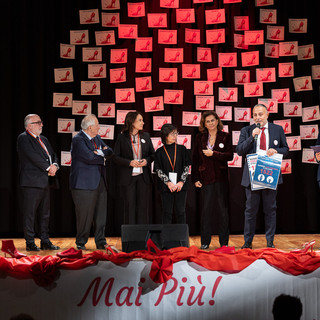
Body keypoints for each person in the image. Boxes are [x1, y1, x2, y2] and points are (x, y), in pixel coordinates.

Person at [236, 103, 289, 249]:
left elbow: (286, 149)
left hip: (270, 173)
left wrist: (276, 151)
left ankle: (270, 242)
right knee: (250, 210)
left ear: (267, 115)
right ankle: (247, 242)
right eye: (255, 115)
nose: (258, 117)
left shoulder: (277, 129)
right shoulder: (247, 130)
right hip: (252, 176)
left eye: (260, 114)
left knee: (270, 209)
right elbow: (239, 150)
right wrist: (252, 137)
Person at [17, 114, 60, 251]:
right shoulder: (23, 138)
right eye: (38, 122)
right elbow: (33, 157)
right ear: (29, 125)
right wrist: (48, 168)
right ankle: (30, 242)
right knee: (30, 214)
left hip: (45, 181)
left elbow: (53, 155)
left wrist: (55, 165)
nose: (42, 125)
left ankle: (45, 240)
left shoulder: (44, 139)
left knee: (45, 214)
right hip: (31, 182)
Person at [70, 114, 113, 250]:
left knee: (101, 214)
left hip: (99, 181)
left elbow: (110, 151)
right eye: (97, 125)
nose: (99, 127)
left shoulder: (97, 138)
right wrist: (101, 156)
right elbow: (89, 157)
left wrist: (98, 153)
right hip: (84, 184)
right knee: (84, 215)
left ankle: (100, 241)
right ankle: (81, 242)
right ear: (90, 127)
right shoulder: (78, 140)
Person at [192, 111, 233, 249]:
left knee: (223, 210)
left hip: (221, 178)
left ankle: (224, 242)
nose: (210, 123)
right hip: (206, 178)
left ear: (217, 121)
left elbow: (229, 156)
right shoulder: (199, 137)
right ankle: (205, 241)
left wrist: (213, 154)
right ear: (204, 123)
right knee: (206, 210)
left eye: (212, 120)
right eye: (207, 121)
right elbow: (195, 159)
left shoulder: (225, 136)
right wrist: (195, 178)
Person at [113, 111, 155, 224]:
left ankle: (143, 236)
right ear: (132, 122)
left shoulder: (146, 136)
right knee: (129, 206)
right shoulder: (122, 137)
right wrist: (129, 163)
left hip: (143, 177)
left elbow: (153, 154)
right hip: (128, 177)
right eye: (140, 120)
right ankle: (130, 237)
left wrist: (146, 161)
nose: (143, 122)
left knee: (143, 207)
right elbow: (115, 157)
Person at [154, 124, 192, 224]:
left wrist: (181, 181)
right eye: (172, 134)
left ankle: (182, 238)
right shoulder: (159, 151)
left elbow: (186, 166)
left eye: (176, 133)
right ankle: (166, 238)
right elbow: (158, 170)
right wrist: (168, 182)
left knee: (181, 212)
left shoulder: (182, 149)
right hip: (166, 186)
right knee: (167, 213)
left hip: (180, 186)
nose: (175, 136)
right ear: (165, 136)